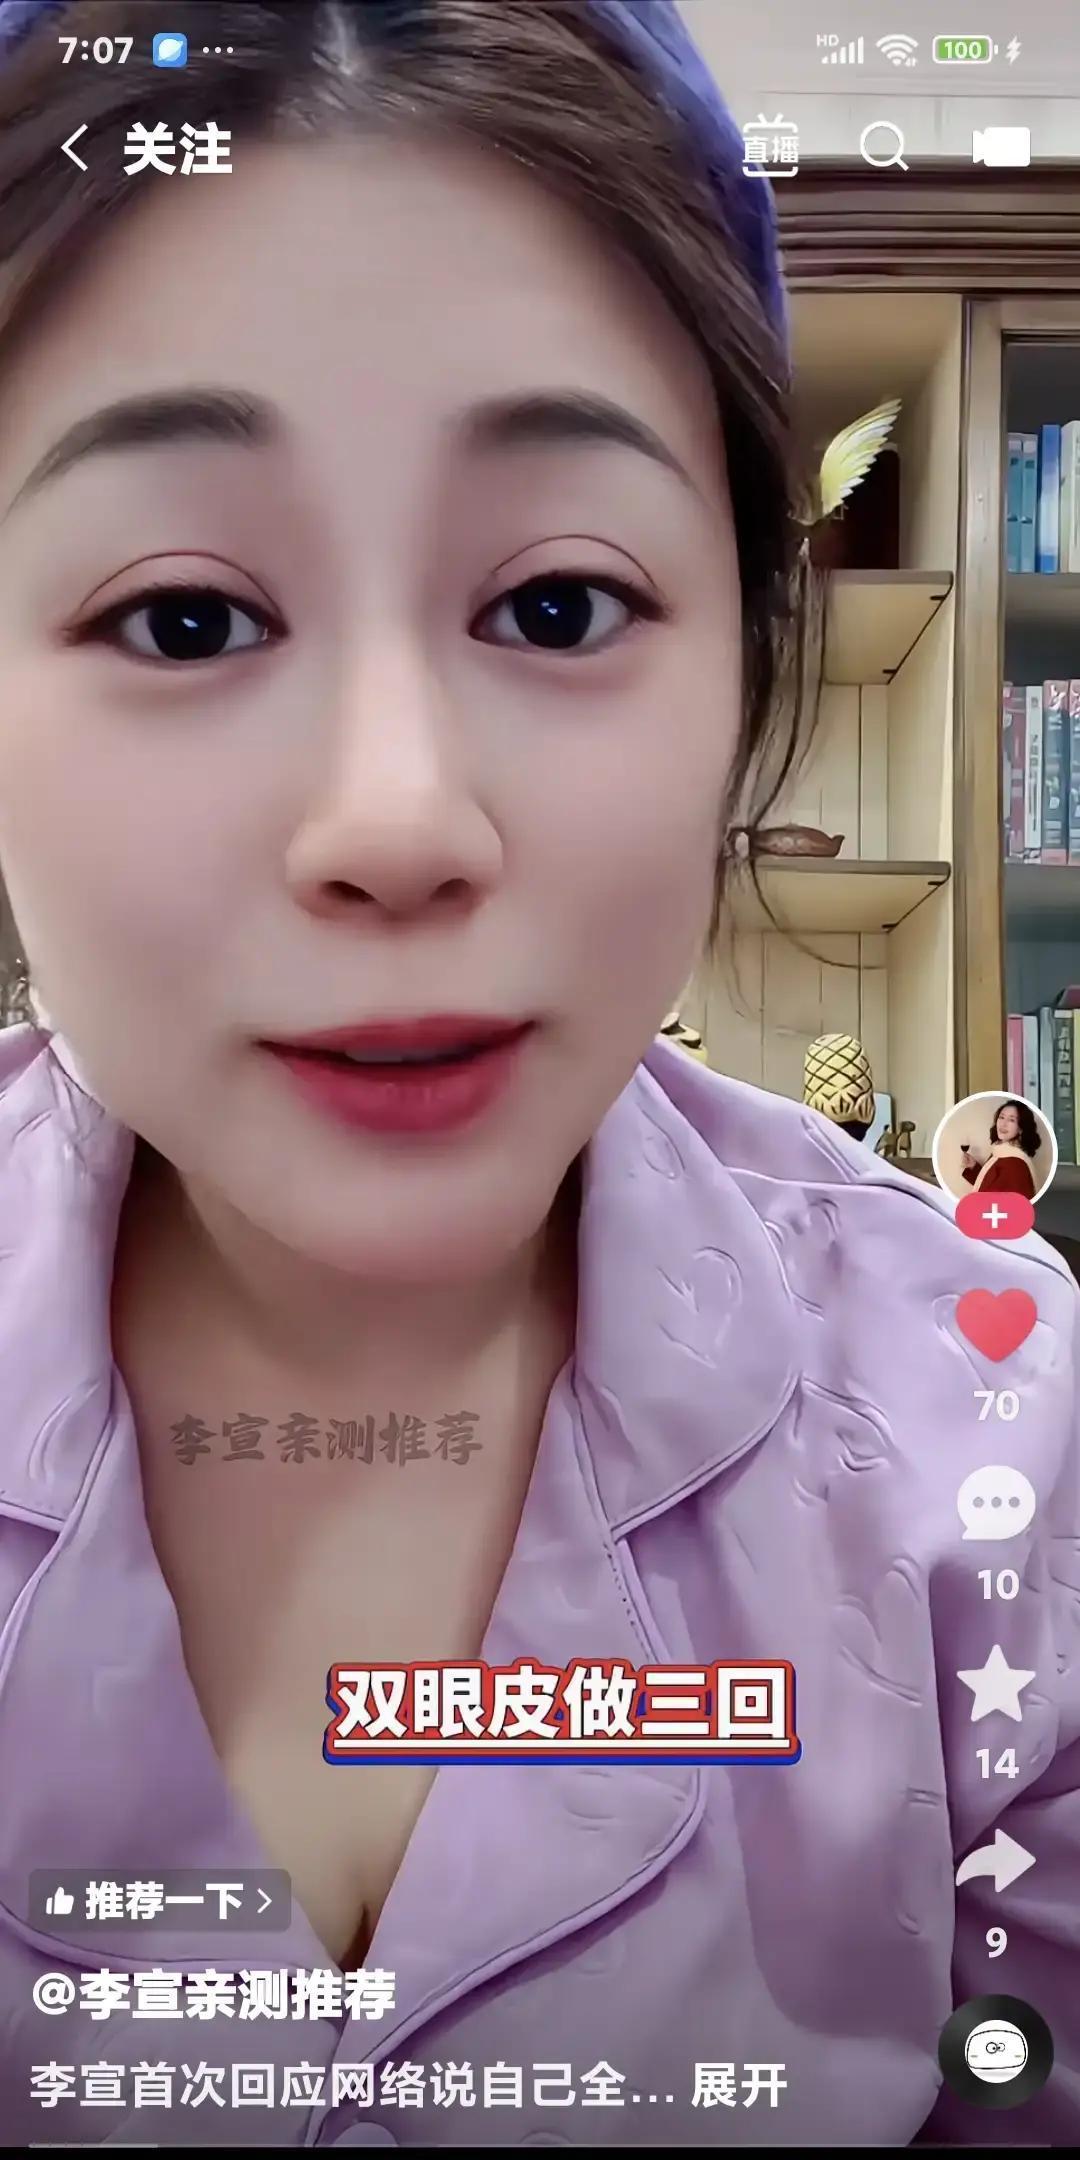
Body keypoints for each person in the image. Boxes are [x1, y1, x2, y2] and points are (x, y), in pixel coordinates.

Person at [0, 0, 1076, 2146]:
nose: (398, 822)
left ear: (747, 661)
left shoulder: (1005, 1447)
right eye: (188, 620)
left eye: (561, 606)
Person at [961, 1097, 1042, 1202]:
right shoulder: (1001, 1152)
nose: (1003, 1124)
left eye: (1011, 1120)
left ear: (1021, 1128)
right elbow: (989, 1184)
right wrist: (973, 1166)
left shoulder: (1015, 1165)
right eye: (1001, 1117)